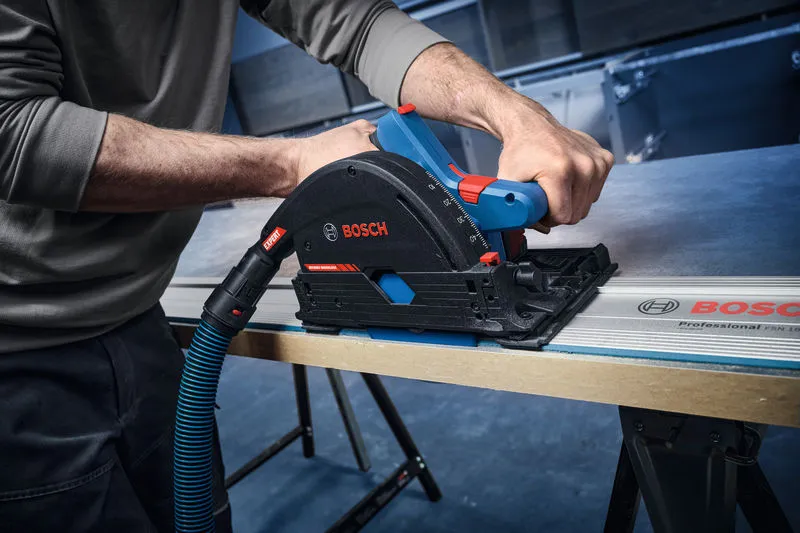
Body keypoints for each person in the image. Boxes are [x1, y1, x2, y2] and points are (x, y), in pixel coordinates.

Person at [0, 1, 613, 531]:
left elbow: (356, 21)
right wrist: (290, 164)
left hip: (137, 312)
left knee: (197, 515)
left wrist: (518, 117)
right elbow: (14, 132)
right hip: (19, 355)